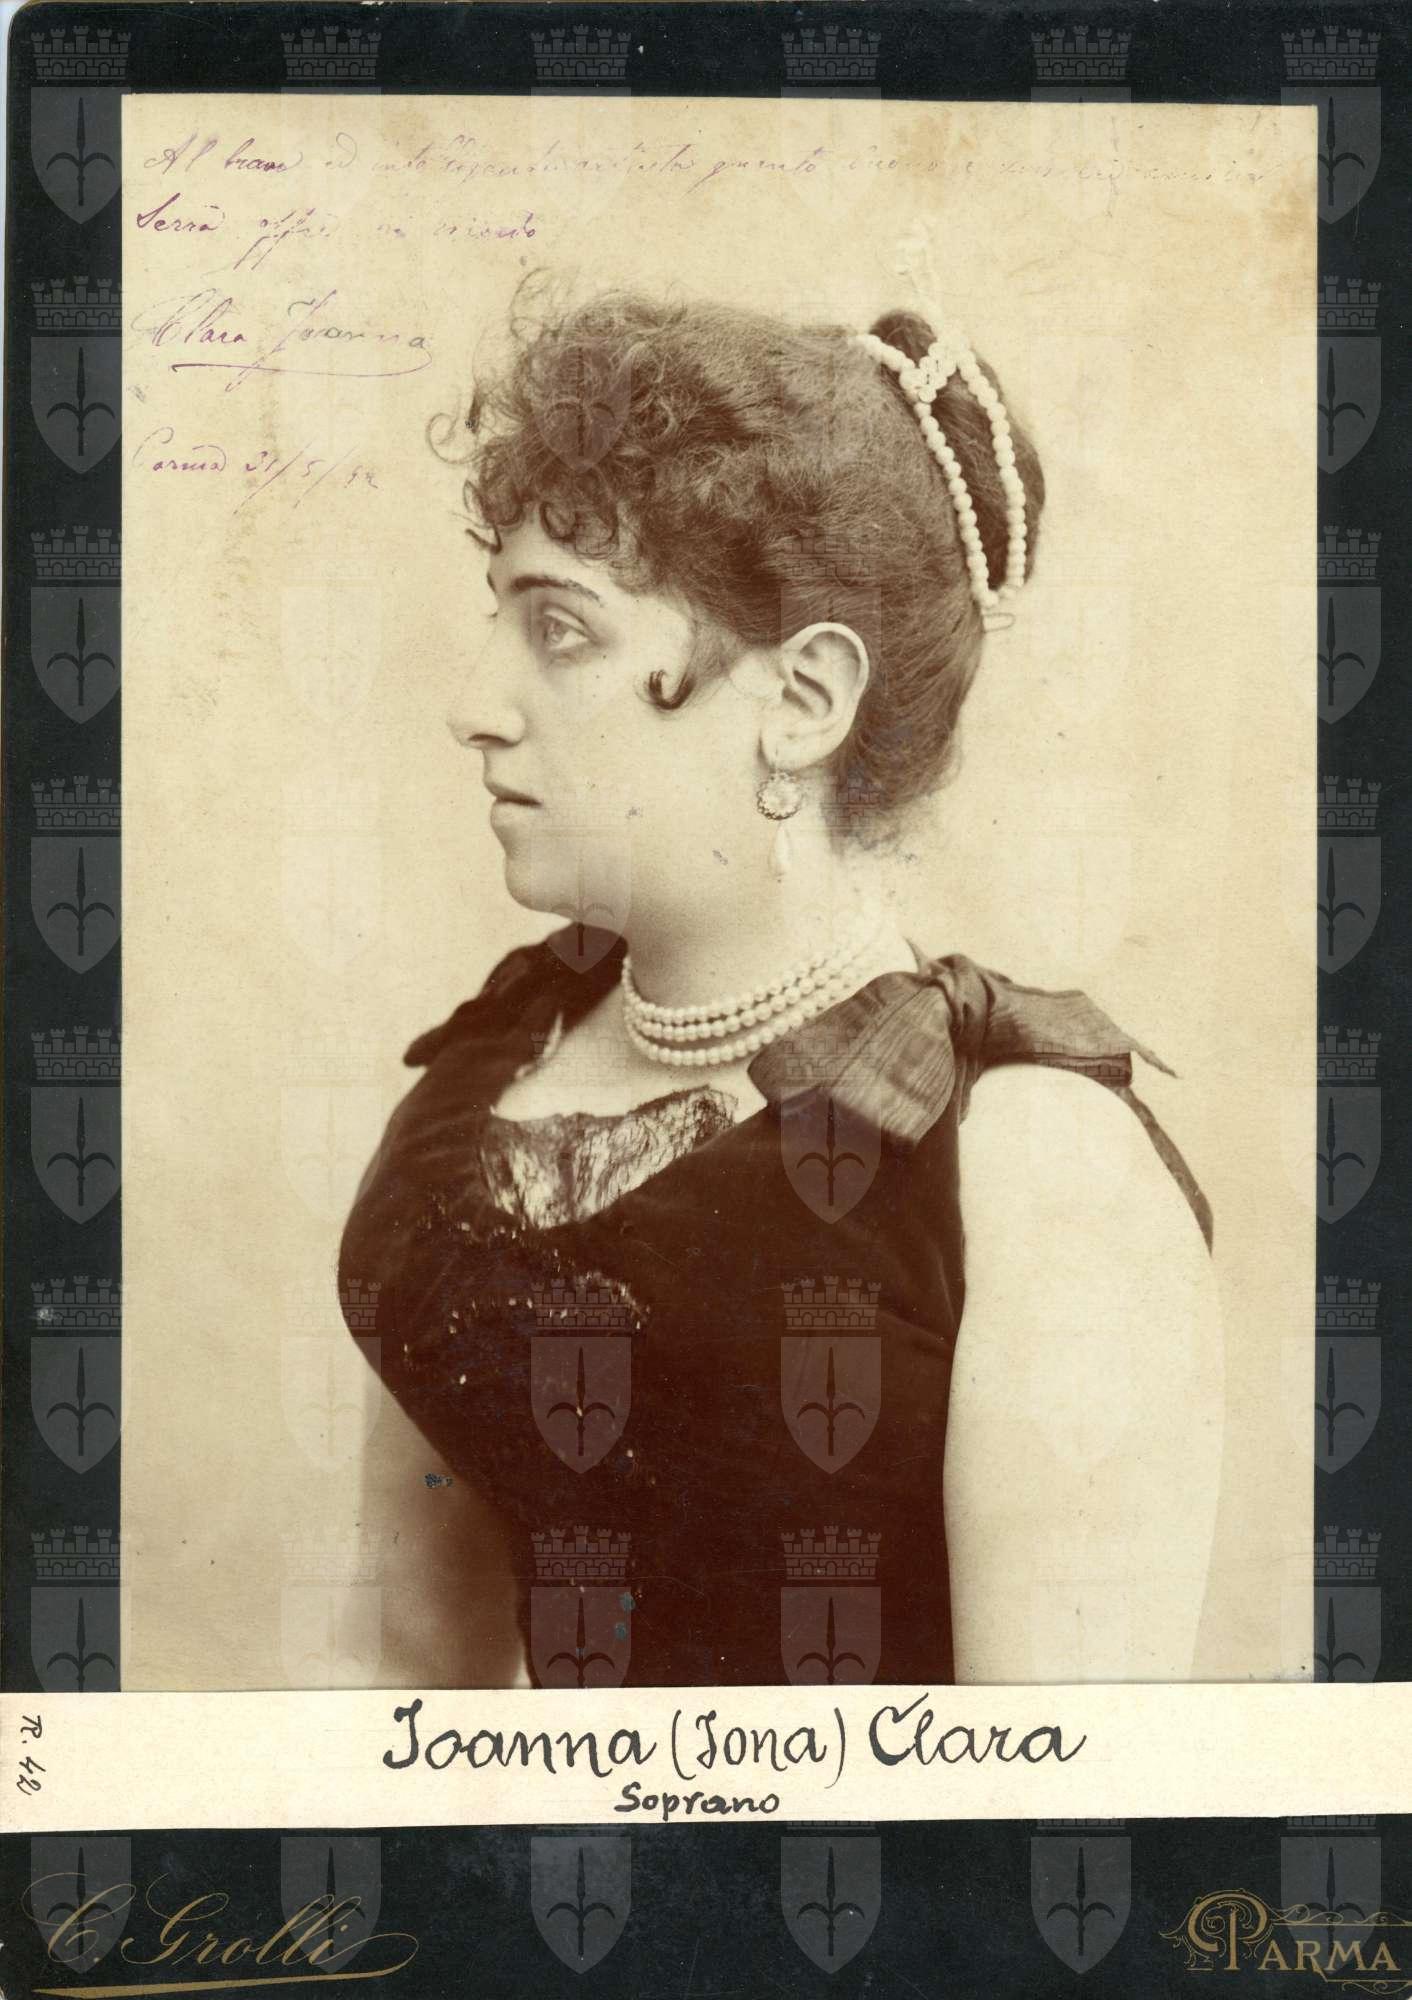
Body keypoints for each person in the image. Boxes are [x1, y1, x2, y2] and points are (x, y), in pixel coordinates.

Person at [338, 277, 1222, 1690]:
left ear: (804, 702)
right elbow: (407, 1686)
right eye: (499, 617)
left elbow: (1062, 1803)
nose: (475, 705)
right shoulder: (485, 1078)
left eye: (561, 629)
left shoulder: (1034, 1172)